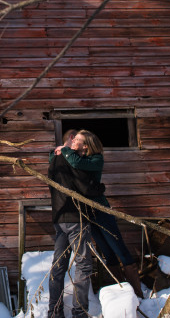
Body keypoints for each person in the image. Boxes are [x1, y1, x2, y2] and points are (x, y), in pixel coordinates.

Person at [54, 129, 143, 299]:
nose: (73, 141)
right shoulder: (79, 158)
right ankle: (122, 292)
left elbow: (76, 163)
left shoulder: (96, 159)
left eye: (77, 139)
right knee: (106, 252)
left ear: (85, 145)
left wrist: (64, 149)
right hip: (87, 213)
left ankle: (137, 293)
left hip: (100, 211)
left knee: (118, 248)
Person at [47, 129, 105, 318]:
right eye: (76, 139)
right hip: (76, 217)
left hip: (59, 217)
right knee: (83, 265)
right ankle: (79, 312)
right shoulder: (73, 162)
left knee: (59, 265)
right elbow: (84, 187)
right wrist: (99, 188)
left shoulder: (54, 159)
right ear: (71, 141)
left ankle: (54, 312)